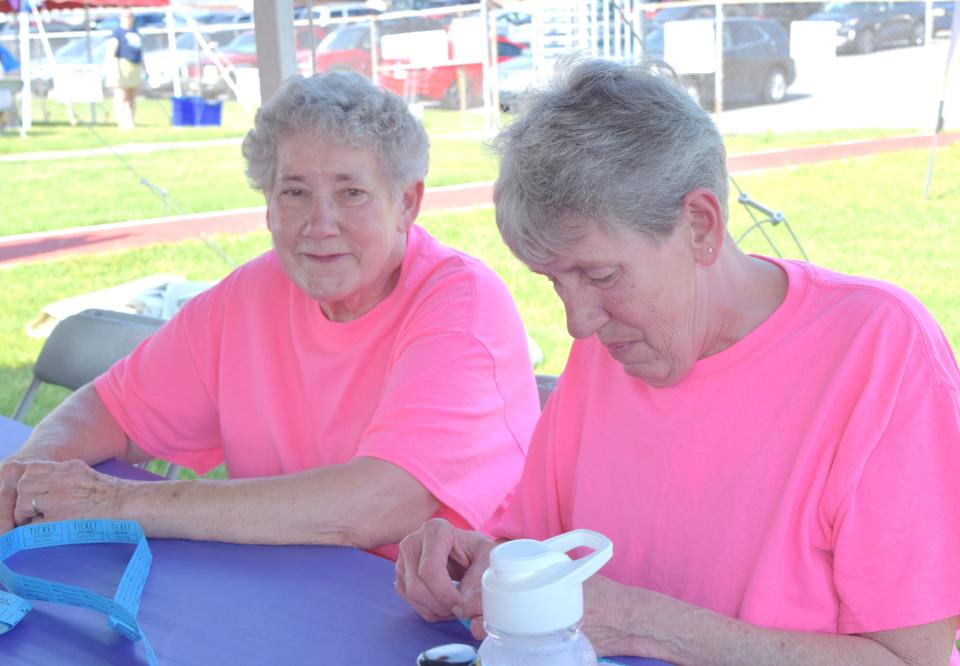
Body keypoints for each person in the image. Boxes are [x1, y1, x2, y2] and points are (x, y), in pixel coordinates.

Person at [395, 58, 960, 663]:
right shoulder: (610, 348)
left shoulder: (877, 350)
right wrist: (482, 568)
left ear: (699, 225)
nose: (578, 322)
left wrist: (645, 624)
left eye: (601, 274)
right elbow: (539, 550)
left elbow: (911, 658)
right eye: (555, 283)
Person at [0, 72, 540, 557]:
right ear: (268, 206)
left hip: (453, 622)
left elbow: (380, 503)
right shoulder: (253, 292)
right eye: (295, 192)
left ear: (407, 203)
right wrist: (24, 474)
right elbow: (112, 408)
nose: (320, 223)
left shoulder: (461, 304)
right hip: (283, 595)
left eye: (351, 193)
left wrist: (118, 502)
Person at [104, 10, 143, 130]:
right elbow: (111, 52)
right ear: (121, 18)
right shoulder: (117, 33)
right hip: (122, 65)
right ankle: (121, 121)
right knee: (121, 95)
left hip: (135, 66)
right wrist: (113, 69)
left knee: (132, 96)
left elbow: (140, 51)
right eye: (126, 16)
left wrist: (144, 67)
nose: (129, 18)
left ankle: (130, 120)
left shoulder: (136, 32)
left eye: (131, 16)